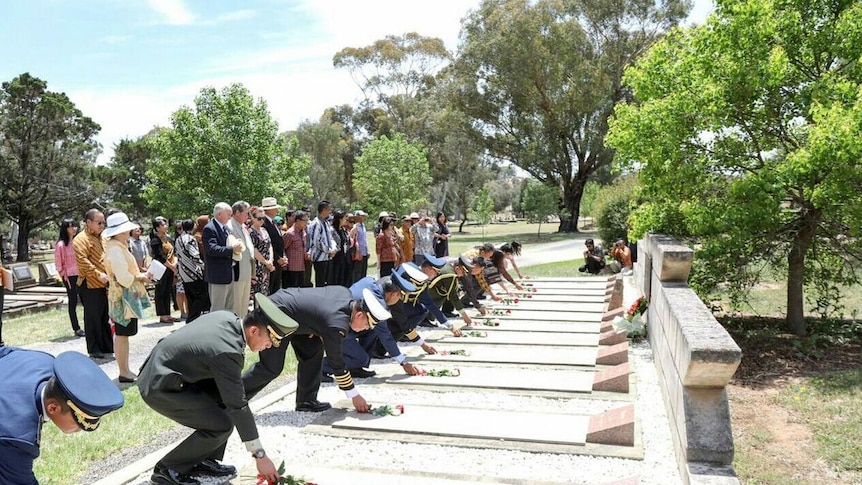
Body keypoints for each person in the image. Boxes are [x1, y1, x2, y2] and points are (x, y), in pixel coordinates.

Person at [138, 294, 294, 485]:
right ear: (254, 330)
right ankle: (168, 469)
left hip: (169, 373)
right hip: (161, 387)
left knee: (223, 405)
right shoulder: (227, 351)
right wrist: (260, 455)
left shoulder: (227, 318)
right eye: (270, 341)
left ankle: (202, 458)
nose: (268, 347)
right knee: (222, 424)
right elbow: (238, 405)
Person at [242, 286, 391, 414]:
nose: (365, 329)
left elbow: (317, 313)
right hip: (276, 315)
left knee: (313, 350)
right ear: (359, 314)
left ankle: (306, 401)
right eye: (367, 324)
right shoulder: (336, 323)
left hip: (297, 319)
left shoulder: (345, 294)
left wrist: (317, 327)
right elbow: (336, 362)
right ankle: (233, 399)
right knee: (271, 368)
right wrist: (354, 395)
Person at [0, 347, 124, 484]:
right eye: (79, 424)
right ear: (53, 408)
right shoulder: (17, 436)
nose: (79, 430)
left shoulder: (43, 361)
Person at [323, 274, 424, 381]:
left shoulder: (370, 282)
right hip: (336, 328)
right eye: (399, 297)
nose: (399, 301)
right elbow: (386, 336)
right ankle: (319, 368)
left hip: (345, 322)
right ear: (394, 294)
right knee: (361, 358)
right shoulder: (377, 303)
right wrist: (403, 362)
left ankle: (354, 367)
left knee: (372, 329)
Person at [103, 212, 152, 383]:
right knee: (122, 335)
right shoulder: (116, 249)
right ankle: (124, 371)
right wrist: (141, 277)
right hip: (123, 297)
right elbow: (123, 277)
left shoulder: (118, 247)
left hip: (124, 295)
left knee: (124, 335)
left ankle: (126, 370)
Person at [72, 209, 113, 359]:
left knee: (104, 316)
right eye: (99, 222)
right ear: (88, 222)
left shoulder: (102, 237)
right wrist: (98, 274)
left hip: (105, 282)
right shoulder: (80, 240)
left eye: (103, 222)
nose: (102, 225)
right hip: (89, 284)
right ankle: (94, 348)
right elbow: (83, 262)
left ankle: (106, 346)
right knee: (93, 317)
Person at [203, 203, 241, 312]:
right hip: (218, 275)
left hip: (229, 272)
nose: (230, 217)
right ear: (219, 214)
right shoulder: (209, 228)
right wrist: (232, 249)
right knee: (218, 308)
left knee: (229, 307)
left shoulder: (226, 228)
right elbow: (211, 249)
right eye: (228, 214)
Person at [54, 218, 84, 338]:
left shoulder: (78, 242)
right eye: (70, 227)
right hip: (69, 276)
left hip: (81, 274)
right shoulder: (61, 245)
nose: (73, 229)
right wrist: (63, 274)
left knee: (85, 300)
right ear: (65, 229)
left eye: (75, 226)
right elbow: (58, 263)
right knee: (73, 302)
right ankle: (76, 328)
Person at [175, 219, 209, 323]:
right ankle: (192, 319)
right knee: (202, 296)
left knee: (190, 298)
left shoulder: (178, 239)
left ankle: (192, 319)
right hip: (193, 272)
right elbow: (194, 255)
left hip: (183, 273)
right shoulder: (190, 239)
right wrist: (203, 266)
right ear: (193, 226)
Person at [150, 217, 180, 324]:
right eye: (163, 225)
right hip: (161, 268)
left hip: (170, 268)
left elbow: (174, 252)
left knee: (168, 291)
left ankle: (168, 314)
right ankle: (162, 315)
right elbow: (160, 256)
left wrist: (174, 263)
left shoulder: (167, 238)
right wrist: (172, 266)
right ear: (157, 228)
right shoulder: (155, 240)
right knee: (160, 291)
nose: (165, 226)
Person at [228, 201, 255, 318]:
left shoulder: (243, 227)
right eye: (246, 213)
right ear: (237, 212)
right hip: (237, 269)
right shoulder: (230, 226)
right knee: (236, 302)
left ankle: (242, 324)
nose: (248, 216)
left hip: (246, 269)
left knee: (244, 302)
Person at [260, 197, 287, 294]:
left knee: (276, 287)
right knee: (269, 288)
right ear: (269, 210)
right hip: (270, 261)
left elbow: (279, 241)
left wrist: (283, 256)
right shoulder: (263, 223)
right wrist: (277, 258)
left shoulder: (274, 222)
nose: (277, 210)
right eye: (275, 208)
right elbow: (267, 244)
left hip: (279, 262)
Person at [307, 200, 336, 287]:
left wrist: (333, 248)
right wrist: (328, 250)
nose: (330, 212)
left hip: (327, 257)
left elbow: (330, 237)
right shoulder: (316, 223)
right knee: (320, 281)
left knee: (327, 281)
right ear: (323, 210)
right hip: (320, 258)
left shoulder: (326, 223)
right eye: (328, 209)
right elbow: (317, 241)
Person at [248, 206, 274, 300]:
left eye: (263, 218)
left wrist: (270, 260)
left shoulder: (264, 230)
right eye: (259, 218)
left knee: (265, 291)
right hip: (257, 266)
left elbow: (270, 246)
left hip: (267, 267)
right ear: (253, 218)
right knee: (257, 293)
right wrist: (265, 262)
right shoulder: (250, 232)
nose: (262, 221)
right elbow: (253, 250)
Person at [282, 210, 308, 288]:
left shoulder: (303, 232)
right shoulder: (290, 233)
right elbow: (284, 248)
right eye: (305, 220)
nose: (306, 222)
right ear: (297, 221)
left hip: (301, 266)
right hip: (291, 269)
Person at [330, 209, 352, 287]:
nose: (346, 220)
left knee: (344, 278)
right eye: (344, 218)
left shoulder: (343, 230)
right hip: (336, 258)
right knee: (336, 278)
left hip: (344, 257)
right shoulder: (332, 230)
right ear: (340, 219)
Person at [350, 210, 370, 284]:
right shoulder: (355, 226)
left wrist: (367, 250)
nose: (364, 217)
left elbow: (364, 239)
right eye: (362, 216)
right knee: (357, 273)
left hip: (364, 252)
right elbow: (351, 237)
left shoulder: (363, 225)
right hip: (358, 253)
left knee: (363, 272)